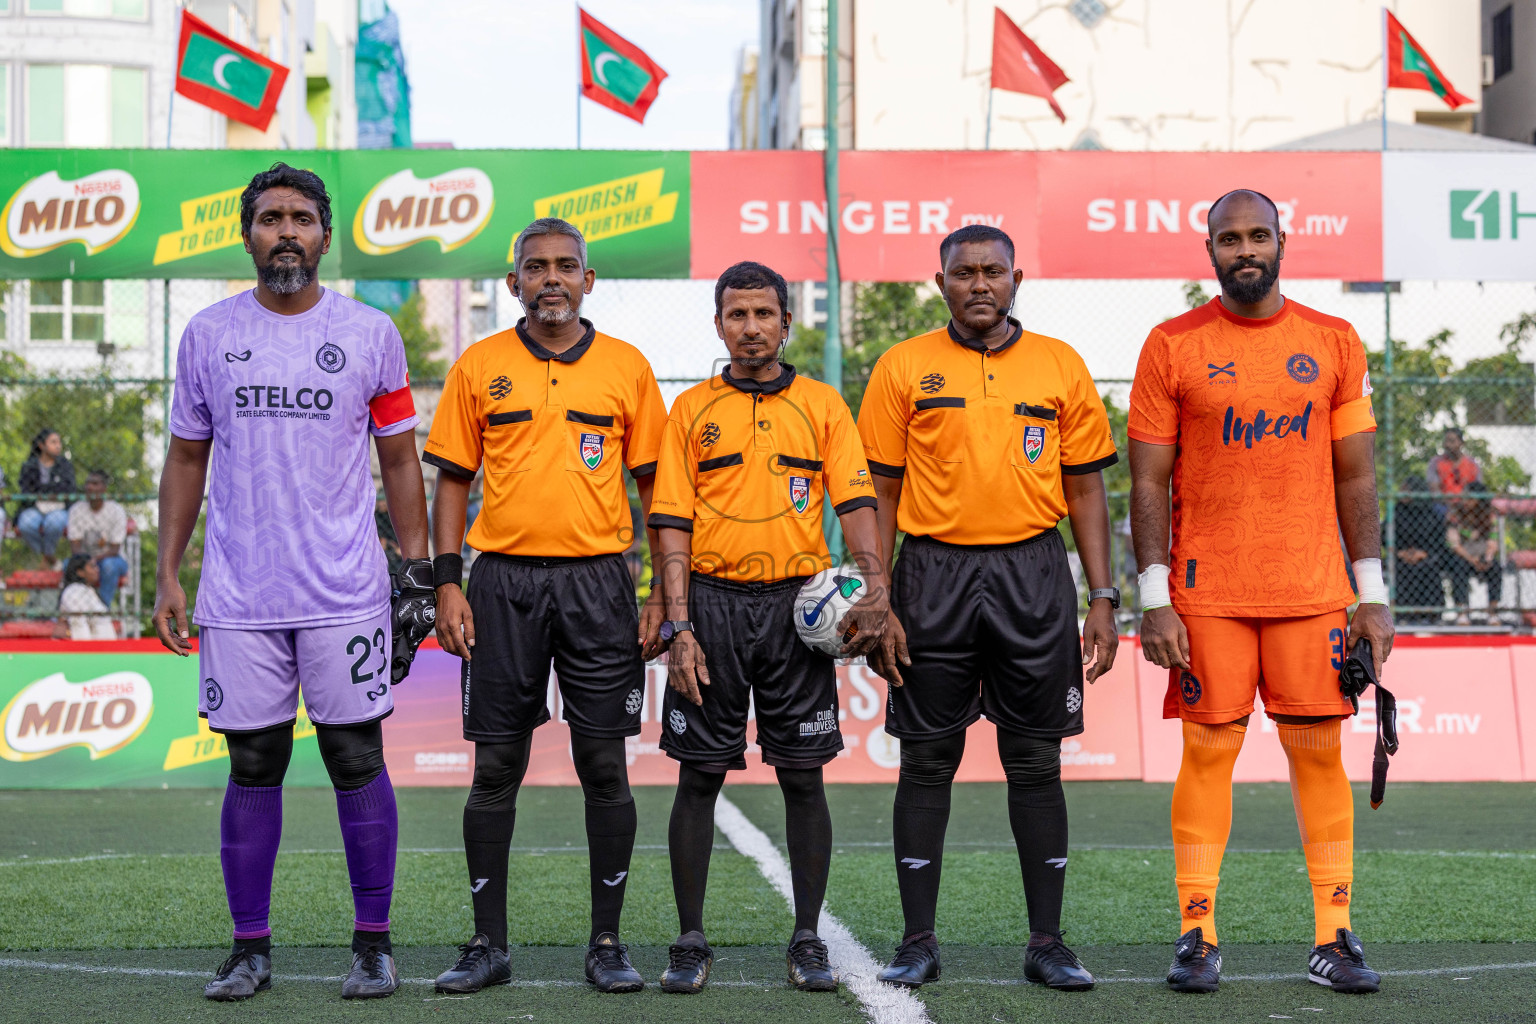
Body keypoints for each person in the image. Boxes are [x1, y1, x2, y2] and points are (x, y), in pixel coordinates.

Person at [152, 162, 433, 1003]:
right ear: (247, 234)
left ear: (324, 234)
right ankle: (248, 949)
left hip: (346, 591)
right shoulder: (208, 334)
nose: (285, 231)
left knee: (356, 756)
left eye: (301, 218)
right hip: (239, 596)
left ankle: (374, 945)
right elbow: (186, 457)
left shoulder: (372, 333)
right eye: (270, 217)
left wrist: (414, 574)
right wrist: (169, 571)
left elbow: (398, 460)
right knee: (254, 762)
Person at [1128, 189, 1394, 995]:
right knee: (1208, 753)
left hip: (1313, 591)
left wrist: (1371, 593)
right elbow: (1146, 479)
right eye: (1228, 238)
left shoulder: (1335, 340)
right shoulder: (1170, 345)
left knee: (1318, 754)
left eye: (1258, 236)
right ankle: (1198, 933)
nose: (1245, 249)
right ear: (1208, 248)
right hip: (1207, 594)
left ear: (1283, 241)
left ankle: (1334, 935)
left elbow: (1357, 475)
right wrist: (1152, 594)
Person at [859, 225, 1119, 992]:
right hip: (930, 575)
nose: (980, 283)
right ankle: (918, 942)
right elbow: (878, 488)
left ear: (1017, 279)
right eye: (964, 272)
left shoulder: (1060, 365)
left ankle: (1048, 943)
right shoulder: (903, 365)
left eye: (993, 271)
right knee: (927, 758)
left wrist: (1105, 596)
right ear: (940, 282)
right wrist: (879, 593)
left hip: (1032, 571)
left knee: (1035, 759)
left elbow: (1085, 490)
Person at [424, 217, 668, 996]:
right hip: (502, 586)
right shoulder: (479, 365)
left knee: (605, 763)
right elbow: (452, 482)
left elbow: (655, 488)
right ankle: (487, 945)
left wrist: (665, 587)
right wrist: (447, 582)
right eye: (536, 268)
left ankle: (606, 944)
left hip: (600, 584)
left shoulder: (627, 368)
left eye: (567, 266)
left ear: (589, 280)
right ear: (514, 283)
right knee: (496, 766)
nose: (552, 279)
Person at [648, 260, 888, 994]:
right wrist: (678, 624)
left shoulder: (822, 406)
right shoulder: (690, 410)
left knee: (804, 778)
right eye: (736, 314)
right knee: (698, 776)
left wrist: (877, 589)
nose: (750, 327)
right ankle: (690, 940)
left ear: (788, 322)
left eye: (764, 314)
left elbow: (855, 505)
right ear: (719, 324)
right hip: (711, 607)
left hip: (798, 612)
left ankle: (808, 938)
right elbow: (670, 523)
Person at [68, 470, 130, 608]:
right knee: (68, 565)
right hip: (83, 559)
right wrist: (87, 563)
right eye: (88, 484)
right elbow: (75, 547)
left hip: (112, 559)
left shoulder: (116, 510)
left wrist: (93, 561)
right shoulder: (76, 509)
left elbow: (114, 549)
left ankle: (102, 610)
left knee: (109, 566)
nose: (90, 487)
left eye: (95, 484)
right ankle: (72, 610)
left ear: (104, 488)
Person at [16, 428, 76, 568]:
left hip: (58, 507)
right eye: (53, 442)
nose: (58, 446)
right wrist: (50, 489)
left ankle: (47, 556)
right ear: (42, 445)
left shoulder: (65, 466)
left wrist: (43, 490)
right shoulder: (29, 466)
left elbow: (69, 489)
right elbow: (26, 491)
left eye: (59, 442)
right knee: (26, 524)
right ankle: (49, 557)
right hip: (35, 507)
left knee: (53, 523)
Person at [1446, 482, 1502, 624]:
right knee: (1458, 567)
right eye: (1464, 497)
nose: (1466, 501)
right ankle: (1462, 612)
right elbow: (1454, 544)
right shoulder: (1455, 513)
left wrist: (1487, 559)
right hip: (1463, 555)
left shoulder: (1489, 514)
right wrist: (1472, 559)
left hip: (1482, 554)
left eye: (1470, 498)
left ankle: (1492, 612)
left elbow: (1493, 541)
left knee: (1495, 568)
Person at [1392, 498, 1446, 624]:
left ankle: (1432, 614)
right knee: (1403, 569)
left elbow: (1439, 540)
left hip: (1427, 554)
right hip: (1402, 555)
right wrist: (1401, 552)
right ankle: (1404, 614)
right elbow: (1386, 535)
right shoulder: (1398, 510)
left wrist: (1424, 553)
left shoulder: (1431, 512)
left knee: (1429, 568)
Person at [54, 554, 116, 640]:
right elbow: (78, 625)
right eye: (92, 566)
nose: (97, 569)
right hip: (86, 649)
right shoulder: (73, 591)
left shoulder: (89, 590)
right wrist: (85, 650)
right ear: (80, 572)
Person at [1426, 428, 1482, 500]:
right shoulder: (1436, 462)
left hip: (1467, 504)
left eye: (1452, 441)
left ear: (1462, 443)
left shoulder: (1472, 463)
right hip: (1443, 504)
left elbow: (1478, 488)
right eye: (1446, 441)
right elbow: (1434, 489)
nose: (1447, 445)